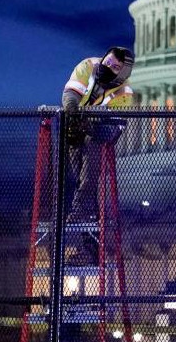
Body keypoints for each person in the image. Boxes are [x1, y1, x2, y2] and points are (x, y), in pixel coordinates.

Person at [60, 47, 135, 262]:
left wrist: (89, 125)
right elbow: (70, 95)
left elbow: (111, 130)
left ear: (122, 73)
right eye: (108, 61)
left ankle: (80, 217)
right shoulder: (88, 66)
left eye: (115, 67)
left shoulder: (124, 95)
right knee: (77, 181)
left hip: (98, 135)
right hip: (73, 128)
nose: (107, 66)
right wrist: (74, 116)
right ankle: (88, 246)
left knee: (89, 177)